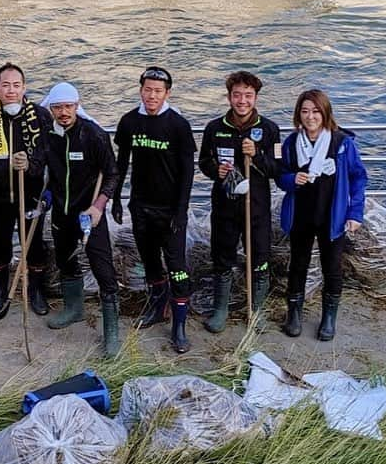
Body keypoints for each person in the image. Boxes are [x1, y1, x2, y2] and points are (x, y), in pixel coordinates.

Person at [112, 67, 196, 354]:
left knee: (178, 269)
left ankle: (179, 325)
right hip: (140, 206)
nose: (152, 95)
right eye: (147, 89)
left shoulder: (179, 125)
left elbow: (188, 173)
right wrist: (115, 199)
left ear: (167, 93)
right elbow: (120, 164)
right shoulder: (129, 122)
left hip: (170, 210)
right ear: (140, 90)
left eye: (158, 91)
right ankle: (157, 306)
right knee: (149, 263)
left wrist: (181, 212)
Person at [277, 89, 367, 341]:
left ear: (325, 112)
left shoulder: (342, 143)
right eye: (305, 111)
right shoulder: (291, 144)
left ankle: (329, 318)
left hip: (333, 216)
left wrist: (355, 213)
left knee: (332, 268)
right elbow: (280, 177)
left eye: (316, 111)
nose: (310, 117)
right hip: (301, 214)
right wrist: (291, 178)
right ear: (298, 115)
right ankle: (293, 315)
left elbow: (358, 177)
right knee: (298, 265)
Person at [42, 81, 120, 357]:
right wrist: (45, 194)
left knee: (103, 270)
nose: (63, 112)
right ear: (51, 108)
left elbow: (112, 174)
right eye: (58, 107)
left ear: (77, 106)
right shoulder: (49, 136)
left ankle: (112, 332)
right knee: (64, 260)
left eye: (68, 106)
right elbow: (48, 174)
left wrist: (99, 205)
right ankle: (74, 309)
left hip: (89, 215)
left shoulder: (94, 135)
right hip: (61, 213)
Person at [198, 71, 281, 332]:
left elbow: (276, 169)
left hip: (256, 207)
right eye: (237, 95)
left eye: (248, 95)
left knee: (260, 256)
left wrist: (256, 155)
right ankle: (221, 308)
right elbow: (203, 162)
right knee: (222, 256)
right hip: (224, 206)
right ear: (229, 96)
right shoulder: (215, 128)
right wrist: (215, 171)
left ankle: (256, 309)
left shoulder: (269, 129)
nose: (242, 101)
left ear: (256, 97)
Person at [0, 62, 53, 316]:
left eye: (16, 85)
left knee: (35, 245)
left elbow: (50, 155)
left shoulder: (40, 116)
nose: (11, 91)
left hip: (32, 196)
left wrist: (30, 164)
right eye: (5, 85)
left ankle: (36, 291)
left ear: (24, 87)